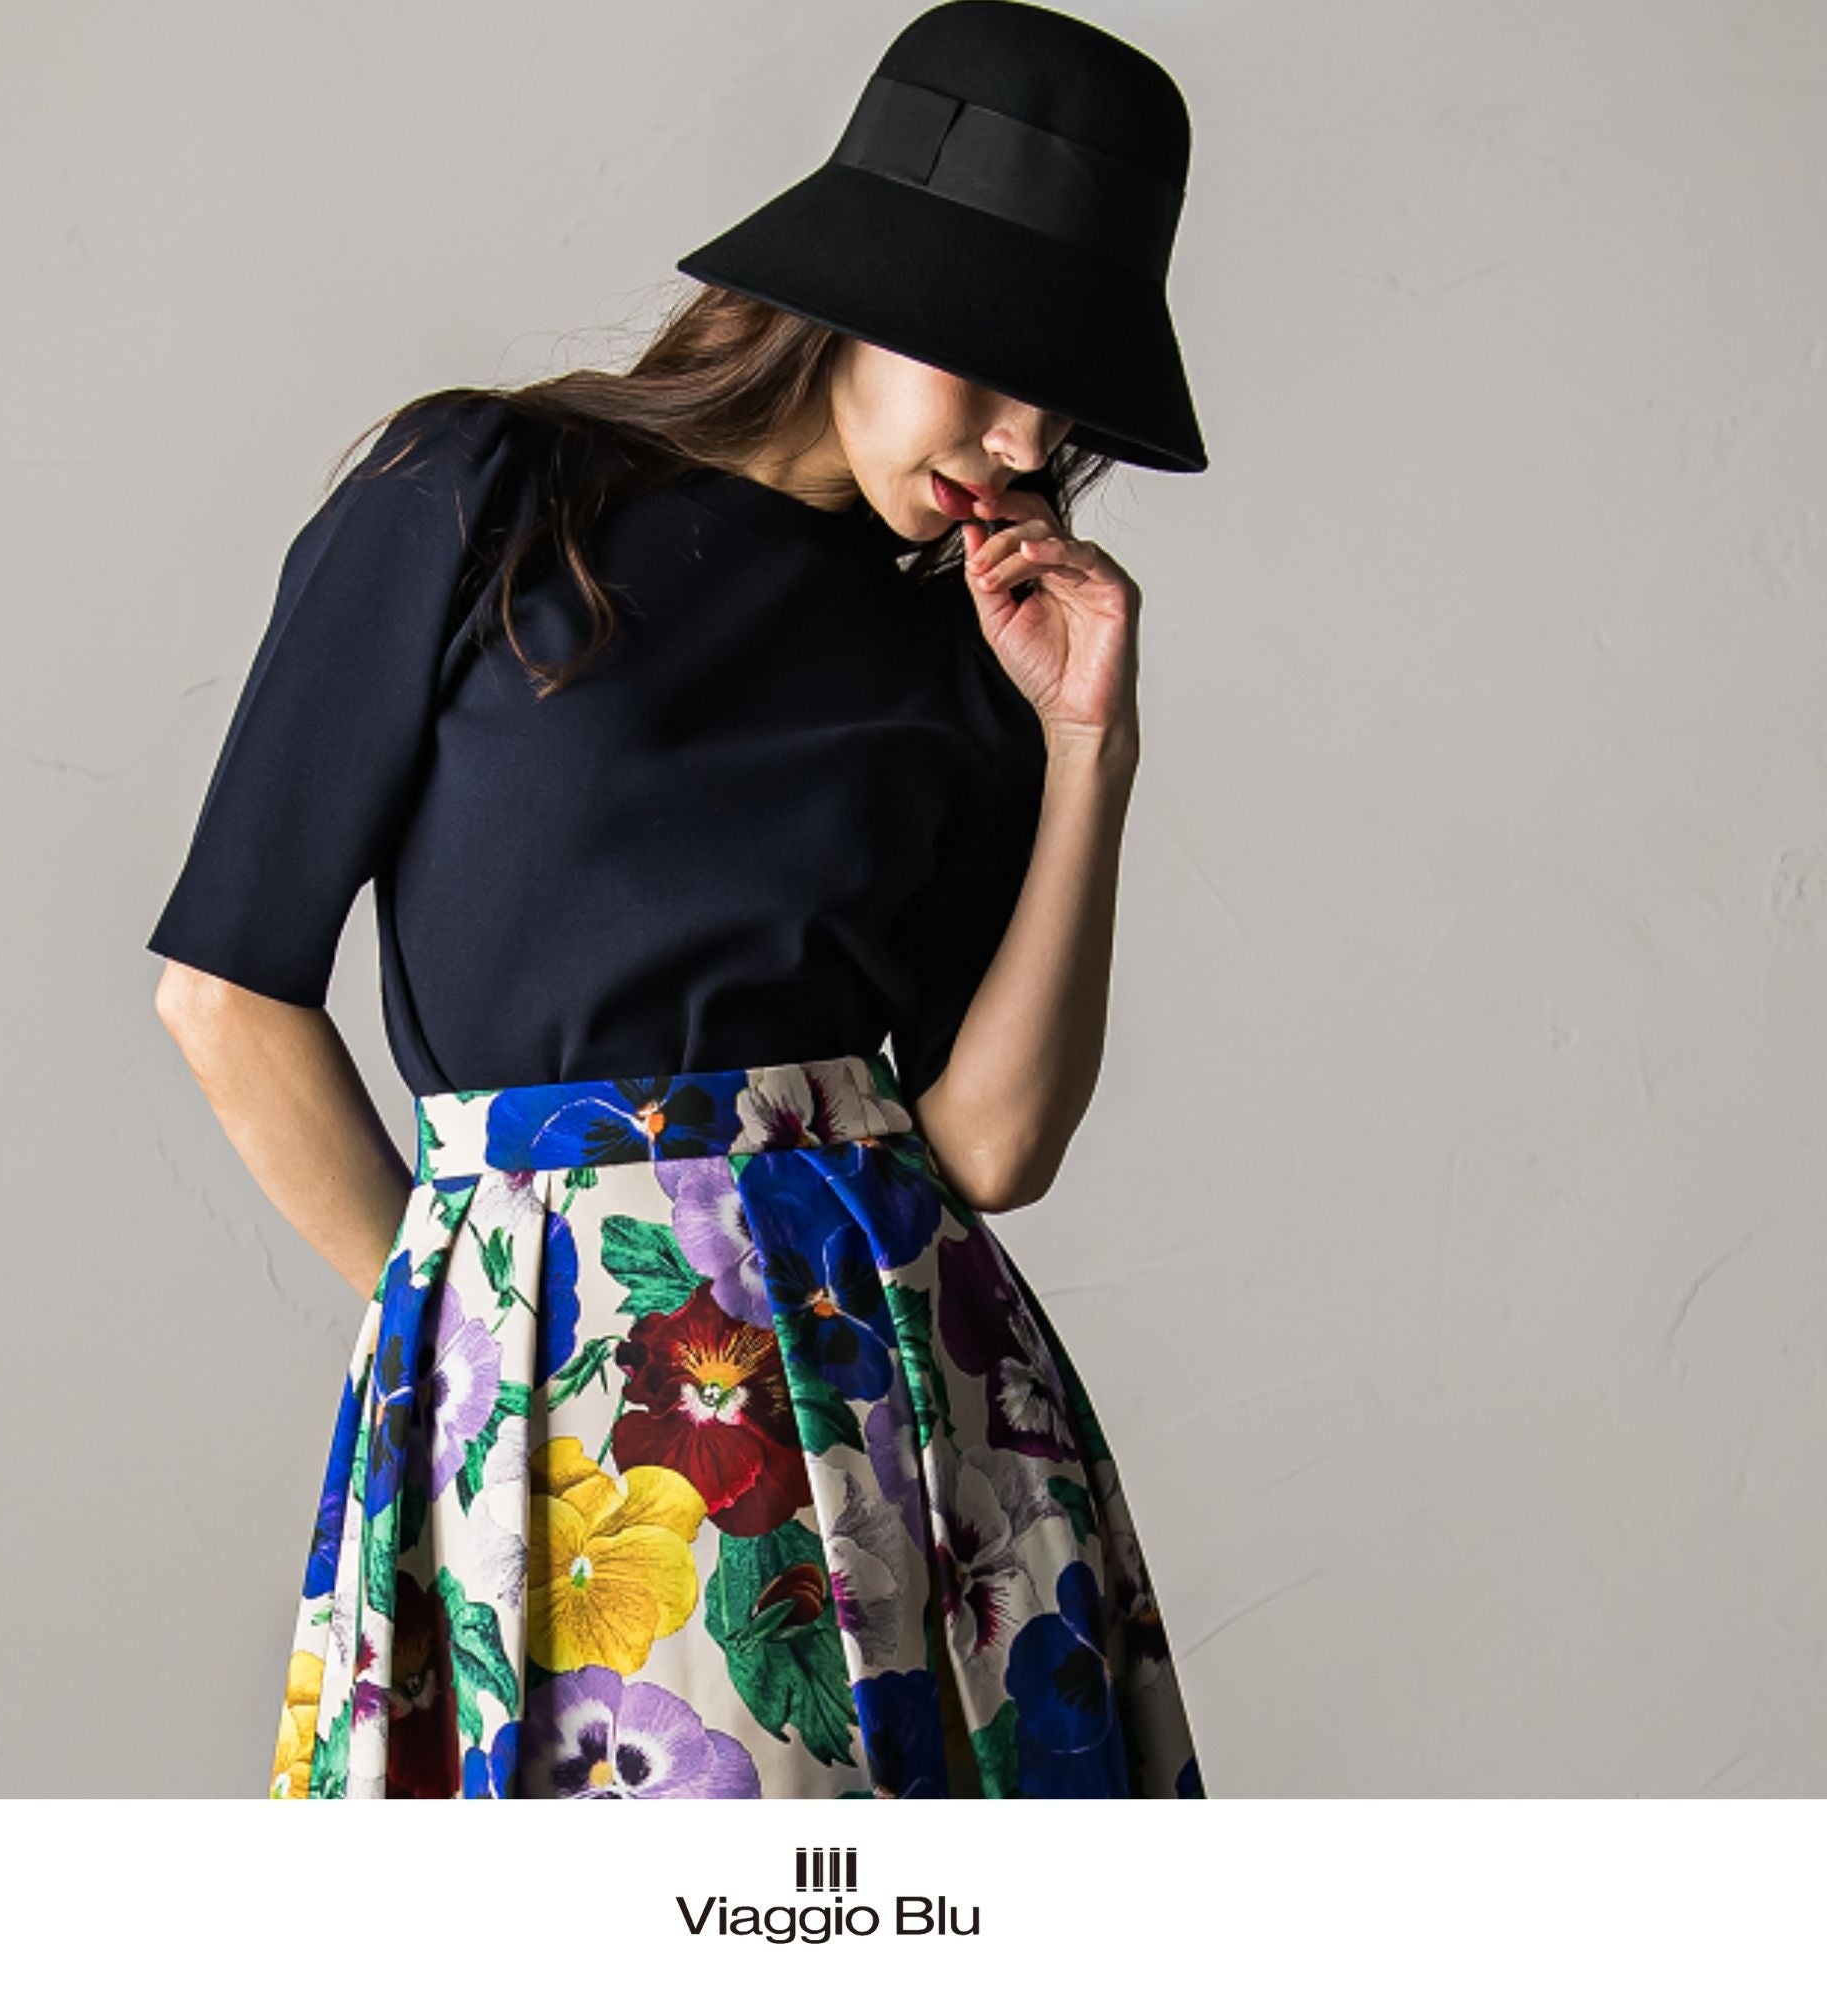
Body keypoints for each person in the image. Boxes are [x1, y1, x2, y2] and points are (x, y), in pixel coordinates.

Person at [147, 0, 1210, 1799]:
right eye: (994, 367)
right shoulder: (483, 493)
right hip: (561, 1416)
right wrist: (490, 1332)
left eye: (1066, 402)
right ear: (860, 288)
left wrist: (1088, 746)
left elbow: (994, 1144)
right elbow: (225, 992)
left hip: (911, 1426)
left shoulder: (966, 654)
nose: (1028, 442)